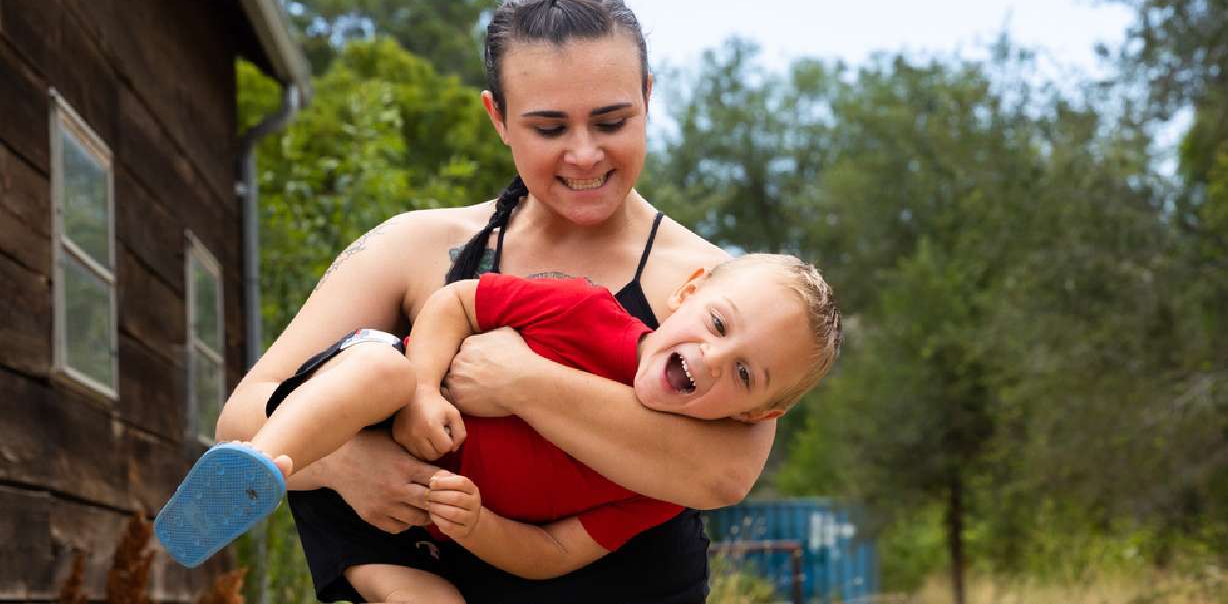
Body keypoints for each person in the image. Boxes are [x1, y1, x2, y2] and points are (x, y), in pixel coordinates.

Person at [213, 0, 790, 604]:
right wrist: (349, 464)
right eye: (548, 128)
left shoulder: (711, 290)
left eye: (612, 120)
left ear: (647, 99)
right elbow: (242, 418)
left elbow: (724, 473)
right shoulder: (413, 247)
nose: (584, 153)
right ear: (499, 118)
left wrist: (517, 379)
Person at [157, 254, 842, 600]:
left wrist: (475, 524)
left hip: (411, 527)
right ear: (688, 292)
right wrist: (423, 391)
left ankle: (270, 469)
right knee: (383, 372)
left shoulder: (660, 478)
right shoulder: (583, 310)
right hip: (373, 410)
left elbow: (551, 552)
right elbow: (458, 301)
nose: (714, 358)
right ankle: (264, 467)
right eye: (718, 325)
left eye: (746, 375)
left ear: (758, 416)